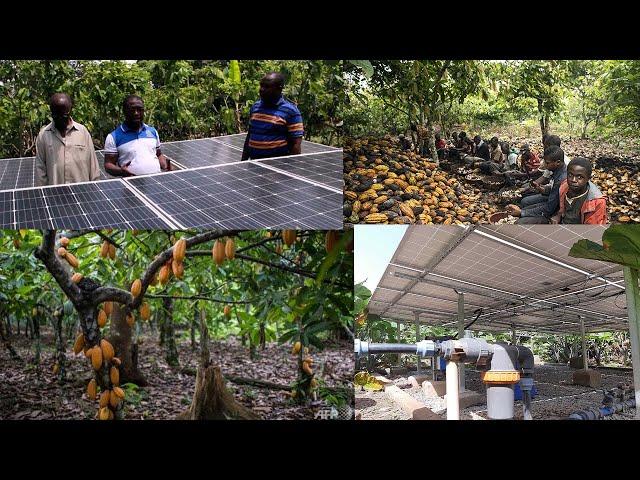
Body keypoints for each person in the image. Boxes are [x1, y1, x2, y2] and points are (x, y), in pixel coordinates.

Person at [35, 93, 101, 186]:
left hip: (82, 194)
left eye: (63, 115)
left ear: (70, 111)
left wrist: (96, 187)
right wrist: (42, 194)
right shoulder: (44, 135)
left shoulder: (82, 132)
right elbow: (40, 170)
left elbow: (93, 165)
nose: (60, 119)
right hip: (55, 195)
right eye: (56, 115)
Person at [241, 72, 304, 160]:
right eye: (261, 86)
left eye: (267, 86)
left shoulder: (290, 111)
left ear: (279, 88)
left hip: (277, 165)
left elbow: (296, 144)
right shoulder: (255, 107)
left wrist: (290, 168)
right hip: (254, 163)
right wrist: (243, 161)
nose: (261, 89)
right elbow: (250, 135)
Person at [103, 95, 170, 177]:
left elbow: (158, 154)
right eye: (132, 110)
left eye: (139, 109)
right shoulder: (113, 137)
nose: (136, 113)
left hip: (156, 182)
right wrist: (121, 171)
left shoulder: (152, 131)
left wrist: (165, 166)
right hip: (132, 185)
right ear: (124, 111)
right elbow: (108, 164)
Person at [506, 146, 568, 224]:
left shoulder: (561, 179)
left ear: (558, 162)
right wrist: (543, 189)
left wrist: (522, 212)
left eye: (547, 163)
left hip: (556, 210)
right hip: (552, 201)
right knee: (525, 202)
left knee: (520, 221)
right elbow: (554, 190)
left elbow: (549, 208)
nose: (544, 165)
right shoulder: (557, 170)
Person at [550, 157, 607, 224]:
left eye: (579, 177)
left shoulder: (596, 202)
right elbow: (562, 208)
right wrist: (558, 215)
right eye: (570, 175)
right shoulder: (564, 186)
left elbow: (591, 230)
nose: (573, 180)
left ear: (588, 178)